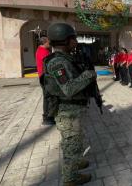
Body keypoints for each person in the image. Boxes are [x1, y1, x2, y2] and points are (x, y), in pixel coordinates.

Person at [44, 23, 94, 185]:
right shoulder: (57, 63)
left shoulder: (65, 58)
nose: (75, 42)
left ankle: (76, 162)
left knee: (75, 141)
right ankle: (70, 178)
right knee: (71, 144)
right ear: (63, 40)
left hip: (73, 109)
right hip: (67, 111)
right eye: (73, 39)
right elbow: (69, 88)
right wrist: (88, 75)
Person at [35, 36, 56, 125]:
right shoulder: (42, 51)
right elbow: (49, 65)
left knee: (49, 97)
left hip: (46, 77)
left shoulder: (44, 50)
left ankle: (49, 116)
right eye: (48, 42)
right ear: (44, 43)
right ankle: (47, 118)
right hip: (45, 77)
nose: (50, 43)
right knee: (48, 98)